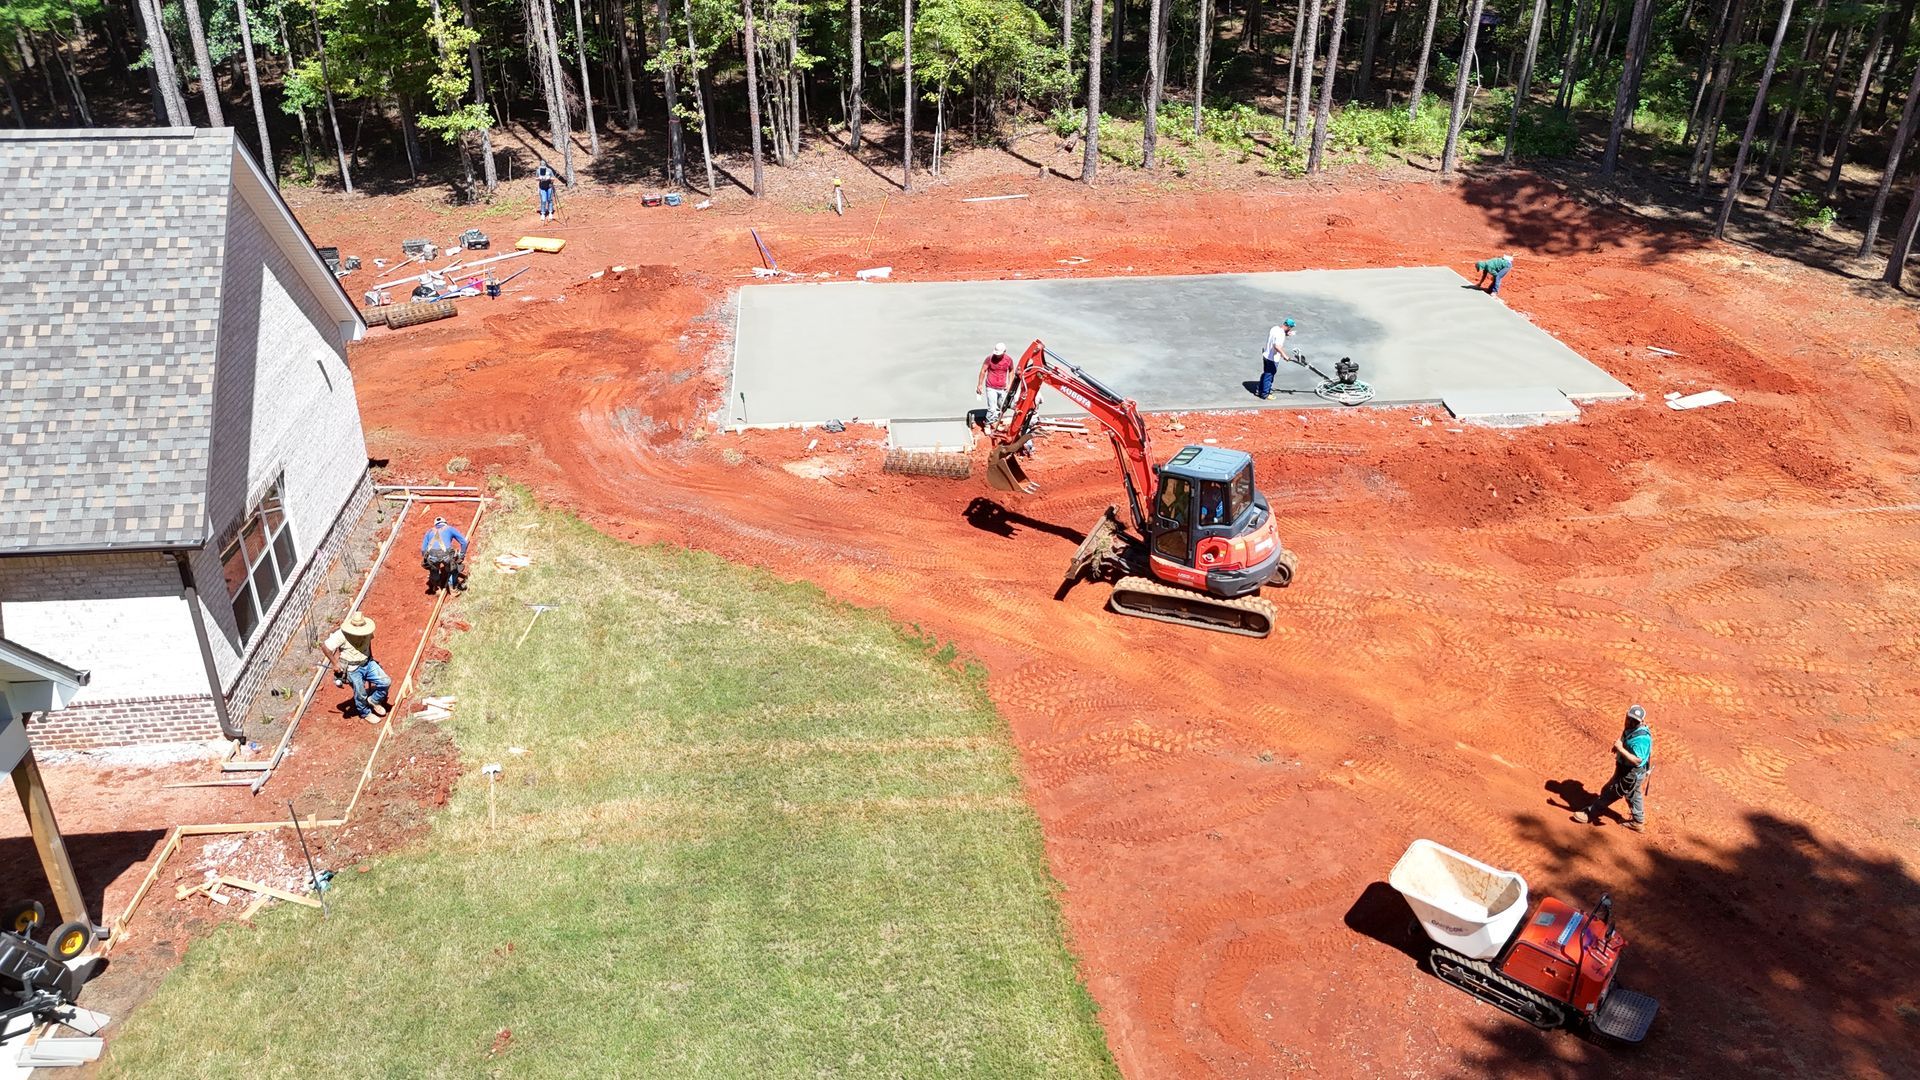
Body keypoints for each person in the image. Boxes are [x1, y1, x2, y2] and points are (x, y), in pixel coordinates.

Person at [1572, 705, 1653, 831]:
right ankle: (1638, 821)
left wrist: (1620, 749)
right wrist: (1619, 748)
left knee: (1611, 792)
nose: (1630, 722)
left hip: (1631, 773)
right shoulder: (1631, 728)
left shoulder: (1641, 739)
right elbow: (1625, 740)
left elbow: (1638, 761)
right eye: (1629, 718)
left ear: (1642, 721)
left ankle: (1590, 813)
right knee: (1632, 794)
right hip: (1625, 770)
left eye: (1635, 721)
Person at [319, 612, 390, 722]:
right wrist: (335, 663)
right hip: (352, 669)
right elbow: (325, 647)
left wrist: (371, 657)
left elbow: (368, 643)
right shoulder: (342, 634)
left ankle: (374, 700)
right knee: (360, 693)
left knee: (385, 682)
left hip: (368, 662)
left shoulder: (367, 630)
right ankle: (365, 713)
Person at [421, 515, 470, 594]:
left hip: (432, 555)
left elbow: (423, 549)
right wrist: (462, 555)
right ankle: (453, 589)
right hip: (446, 555)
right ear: (445, 523)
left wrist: (428, 561)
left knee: (434, 570)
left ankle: (437, 588)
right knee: (454, 568)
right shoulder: (449, 528)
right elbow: (464, 542)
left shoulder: (429, 531)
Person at [977, 343, 1015, 427]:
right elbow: (983, 371)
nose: (997, 356)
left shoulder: (1008, 360)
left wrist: (1010, 384)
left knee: (1000, 406)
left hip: (1002, 388)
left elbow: (1011, 371)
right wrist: (979, 385)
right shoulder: (989, 359)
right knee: (992, 408)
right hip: (991, 387)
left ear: (1004, 351)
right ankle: (988, 423)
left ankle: (995, 421)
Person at [1258, 319, 1297, 400]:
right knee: (1269, 376)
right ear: (1289, 327)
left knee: (1266, 373)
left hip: (1266, 355)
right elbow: (1277, 346)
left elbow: (1275, 337)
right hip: (1272, 359)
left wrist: (1286, 334)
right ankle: (1265, 394)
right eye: (1291, 328)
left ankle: (1260, 389)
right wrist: (1284, 355)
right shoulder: (1281, 335)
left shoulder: (1275, 328)